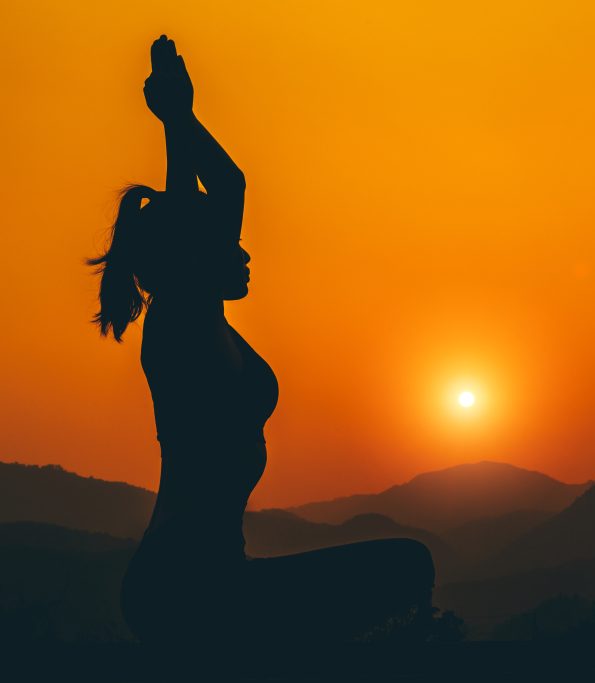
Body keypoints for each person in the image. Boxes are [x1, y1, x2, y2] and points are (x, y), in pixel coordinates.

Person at [88, 36, 435, 656]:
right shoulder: (180, 327)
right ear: (193, 260)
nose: (244, 252)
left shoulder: (197, 317)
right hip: (185, 587)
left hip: (206, 578)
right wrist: (177, 123)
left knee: (406, 568)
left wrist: (180, 120)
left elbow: (213, 199)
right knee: (407, 569)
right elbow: (215, 210)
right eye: (229, 245)